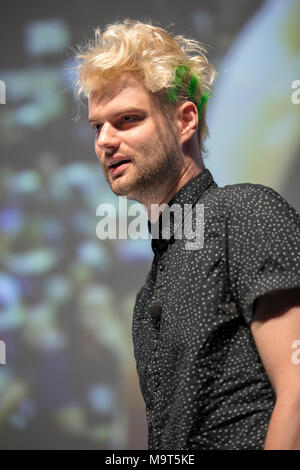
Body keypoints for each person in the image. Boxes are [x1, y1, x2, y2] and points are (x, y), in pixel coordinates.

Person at [74, 19, 300, 450]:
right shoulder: (151, 288)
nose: (105, 140)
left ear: (184, 121)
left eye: (126, 119)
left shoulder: (245, 212)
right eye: (96, 127)